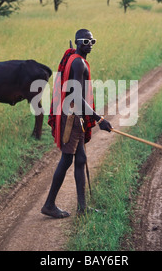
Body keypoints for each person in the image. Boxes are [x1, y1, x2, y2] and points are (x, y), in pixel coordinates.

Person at [42, 29, 112, 218]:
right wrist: (99, 119)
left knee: (80, 159)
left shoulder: (73, 59)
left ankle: (82, 207)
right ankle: (49, 204)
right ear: (79, 43)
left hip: (75, 116)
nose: (91, 45)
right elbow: (75, 96)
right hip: (71, 116)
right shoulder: (78, 63)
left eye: (93, 41)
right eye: (87, 42)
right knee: (67, 159)